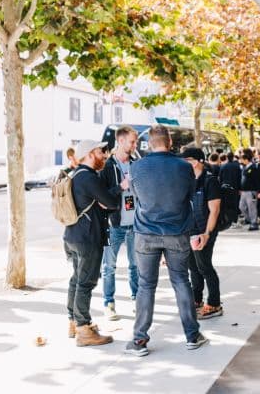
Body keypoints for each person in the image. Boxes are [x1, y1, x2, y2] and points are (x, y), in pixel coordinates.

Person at [125, 125, 209, 357]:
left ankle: (140, 339)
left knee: (145, 285)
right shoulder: (184, 167)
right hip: (177, 232)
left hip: (146, 233)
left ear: (149, 144)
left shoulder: (137, 167)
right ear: (170, 142)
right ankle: (192, 336)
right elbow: (191, 196)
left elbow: (135, 195)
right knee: (181, 281)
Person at [63, 140, 119, 346]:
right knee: (86, 282)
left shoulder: (75, 175)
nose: (104, 155)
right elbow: (111, 203)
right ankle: (84, 329)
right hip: (88, 237)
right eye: (100, 151)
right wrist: (119, 189)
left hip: (72, 235)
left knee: (77, 280)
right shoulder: (88, 176)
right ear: (89, 153)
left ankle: (74, 322)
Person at [99, 125, 139, 320]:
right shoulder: (108, 166)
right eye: (132, 141)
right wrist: (120, 187)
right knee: (109, 267)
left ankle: (137, 300)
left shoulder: (136, 163)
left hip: (135, 224)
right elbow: (102, 197)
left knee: (135, 266)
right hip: (115, 224)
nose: (135, 145)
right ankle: (109, 303)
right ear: (121, 141)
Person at [180, 148, 224, 320]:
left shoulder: (210, 180)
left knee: (204, 266)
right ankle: (196, 299)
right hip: (190, 230)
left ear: (197, 161)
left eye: (187, 160)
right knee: (193, 267)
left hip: (205, 231)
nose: (183, 163)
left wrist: (207, 233)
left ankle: (214, 303)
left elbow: (215, 210)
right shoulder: (188, 180)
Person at [238, 149, 260, 231]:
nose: (241, 161)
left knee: (252, 207)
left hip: (251, 191)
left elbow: (258, 180)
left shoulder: (253, 168)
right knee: (241, 207)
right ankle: (249, 219)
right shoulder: (244, 168)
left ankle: (254, 223)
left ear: (246, 159)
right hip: (244, 191)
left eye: (242, 159)